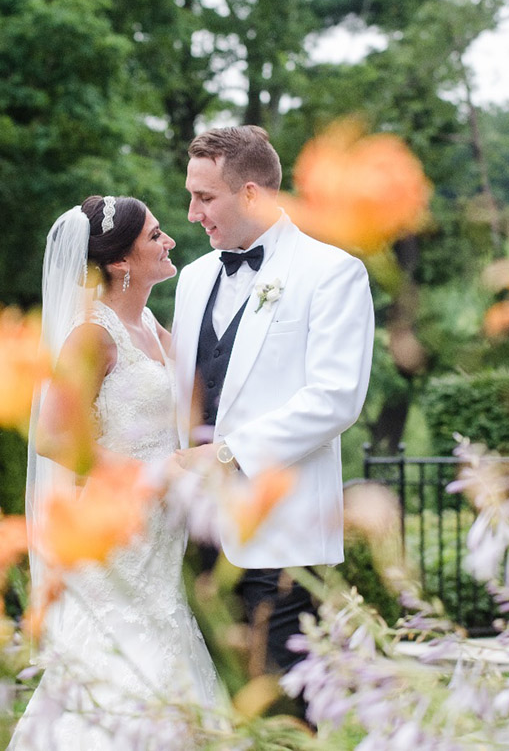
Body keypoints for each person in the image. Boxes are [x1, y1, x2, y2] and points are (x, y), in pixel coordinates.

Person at [11, 195, 224, 750]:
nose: (170, 241)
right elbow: (55, 437)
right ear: (120, 261)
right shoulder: (92, 334)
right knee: (122, 663)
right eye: (155, 235)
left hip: (160, 534)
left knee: (165, 652)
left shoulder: (149, 324)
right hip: (116, 528)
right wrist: (150, 475)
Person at [170, 125, 375, 681]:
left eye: (205, 197)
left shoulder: (331, 273)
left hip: (283, 543)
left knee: (282, 709)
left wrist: (228, 454)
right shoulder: (193, 279)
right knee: (214, 704)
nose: (192, 214)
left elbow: (335, 399)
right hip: (197, 540)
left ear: (251, 194)